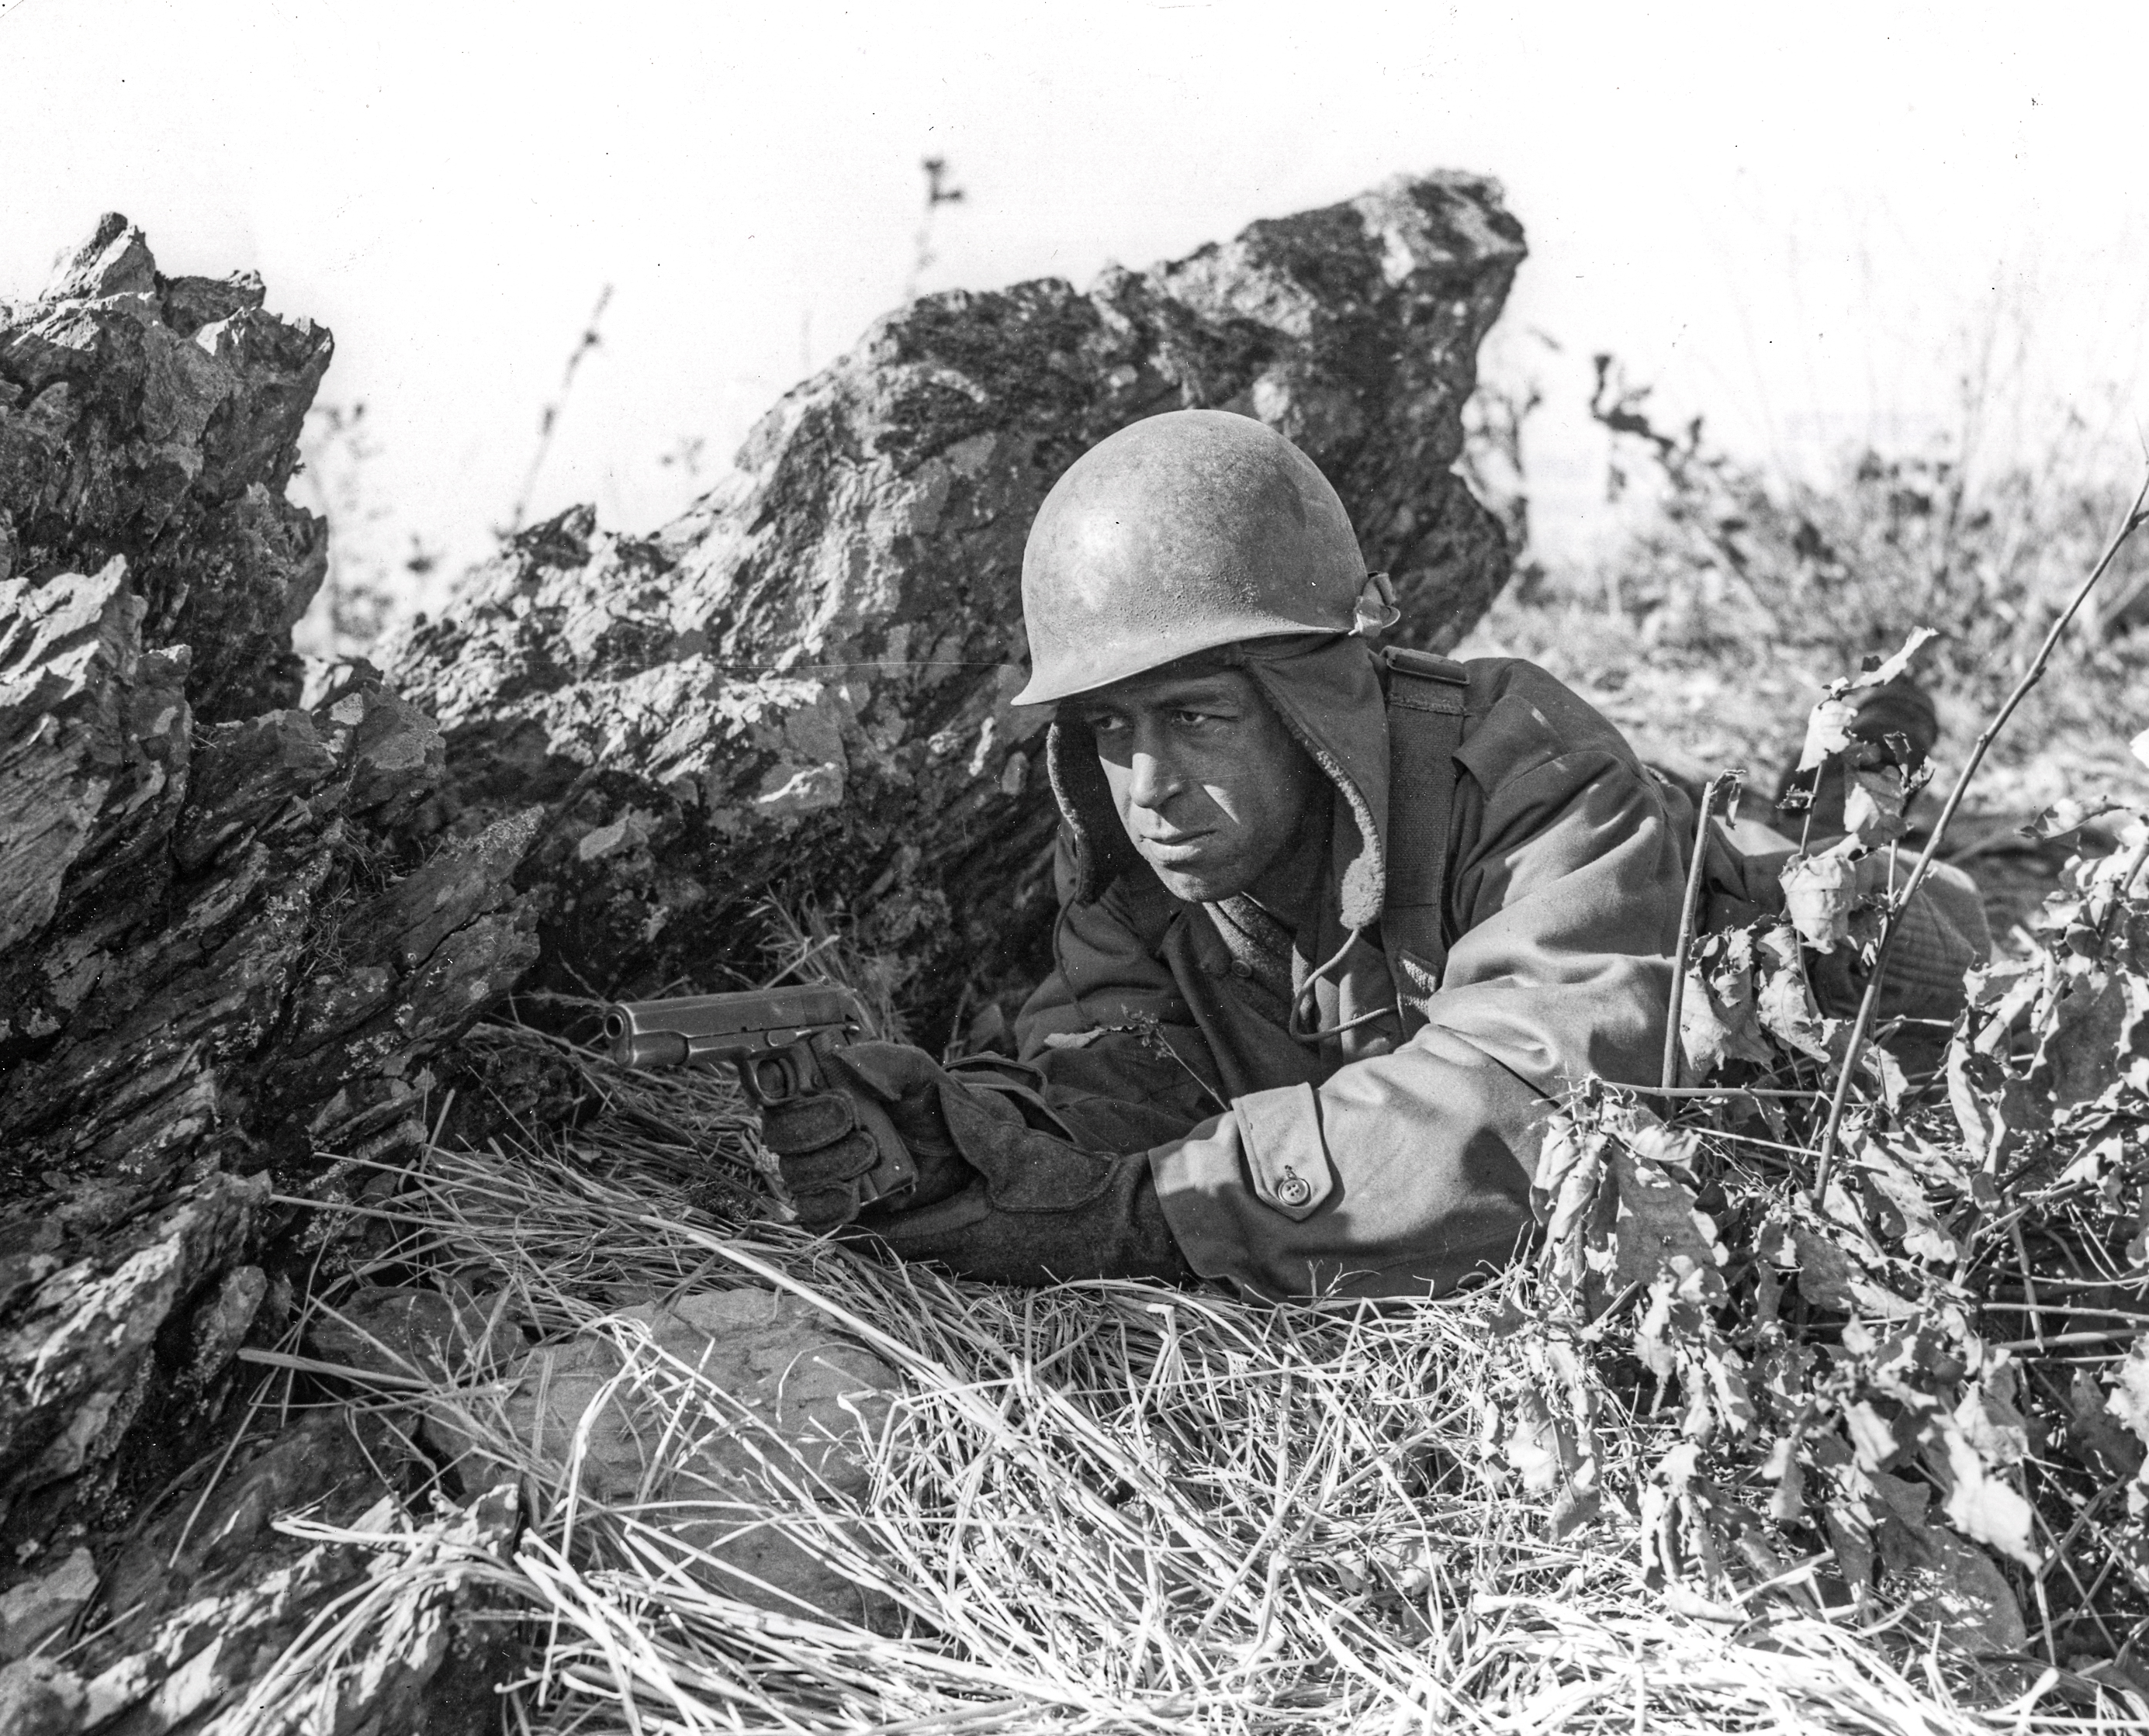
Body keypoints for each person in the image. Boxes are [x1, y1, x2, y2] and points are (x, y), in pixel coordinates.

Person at [756, 410, 1987, 1301]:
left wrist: (1144, 1214)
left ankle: (1859, 798)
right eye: (1109, 730)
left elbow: (1541, 1120)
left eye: (1193, 717)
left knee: (1909, 936)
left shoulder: (1527, 767)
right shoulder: (1149, 867)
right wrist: (952, 1136)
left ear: (1312, 698)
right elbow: (1115, 1079)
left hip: (1849, 987)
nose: (1149, 787)